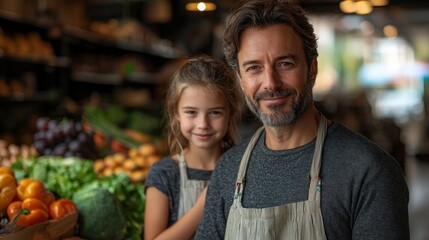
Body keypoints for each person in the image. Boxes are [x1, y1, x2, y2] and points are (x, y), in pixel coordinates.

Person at [195, 0, 410, 239]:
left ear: (313, 68)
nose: (271, 83)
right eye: (254, 68)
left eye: (285, 64)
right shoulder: (228, 170)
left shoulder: (369, 171)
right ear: (240, 78)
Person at [144, 55, 244, 240]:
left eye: (215, 112)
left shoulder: (242, 170)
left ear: (231, 112)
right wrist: (207, 200)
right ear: (175, 113)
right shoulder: (164, 174)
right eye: (191, 112)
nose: (203, 124)